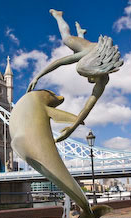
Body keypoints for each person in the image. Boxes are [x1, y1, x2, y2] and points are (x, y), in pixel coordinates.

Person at [27, 9, 123, 142]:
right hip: (89, 48)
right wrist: (37, 76)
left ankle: (81, 33)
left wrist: (72, 128)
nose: (89, 80)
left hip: (94, 53)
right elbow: (59, 62)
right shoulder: (86, 54)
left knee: (74, 51)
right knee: (67, 39)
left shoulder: (102, 80)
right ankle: (58, 16)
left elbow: (87, 108)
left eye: (88, 78)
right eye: (88, 77)